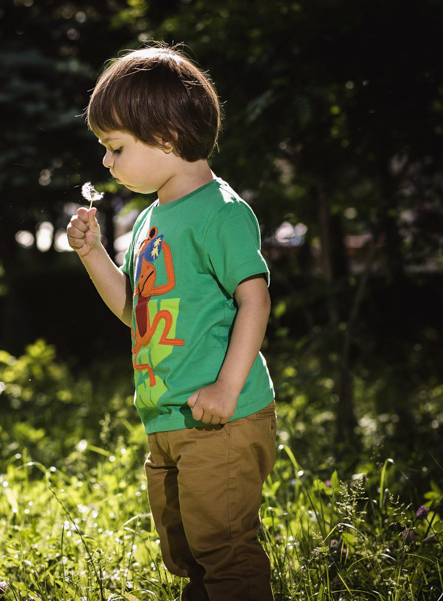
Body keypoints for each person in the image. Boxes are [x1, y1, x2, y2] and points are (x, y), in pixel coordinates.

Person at [66, 44, 277, 601]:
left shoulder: (221, 212)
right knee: (190, 556)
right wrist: (93, 256)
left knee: (226, 552)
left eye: (114, 147)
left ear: (163, 136)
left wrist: (227, 387)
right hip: (167, 421)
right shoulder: (148, 220)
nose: (106, 162)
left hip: (220, 421)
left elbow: (255, 299)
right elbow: (133, 312)